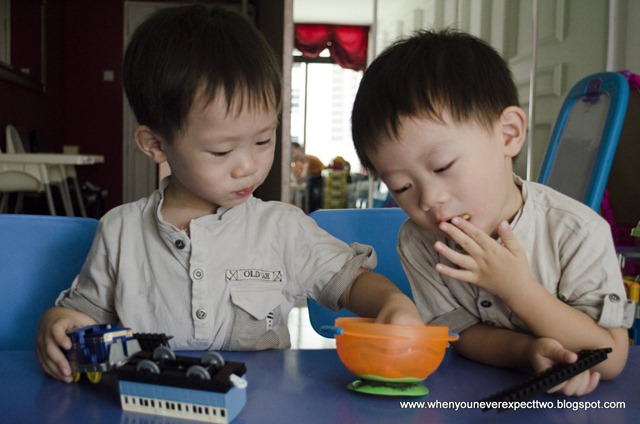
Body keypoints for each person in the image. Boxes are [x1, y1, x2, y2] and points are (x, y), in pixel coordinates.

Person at [36, 5, 422, 383]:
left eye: (263, 139)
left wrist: (392, 304)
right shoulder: (120, 232)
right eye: (222, 151)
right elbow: (84, 314)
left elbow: (352, 282)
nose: (248, 166)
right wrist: (58, 324)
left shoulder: (283, 228)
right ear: (155, 144)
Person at [350, 29, 634, 396]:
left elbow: (610, 358)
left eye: (442, 166)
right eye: (402, 187)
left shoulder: (576, 231)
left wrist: (518, 289)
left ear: (508, 134)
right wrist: (528, 350)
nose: (428, 199)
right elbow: (461, 333)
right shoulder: (420, 241)